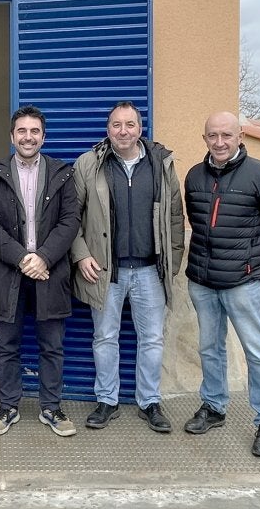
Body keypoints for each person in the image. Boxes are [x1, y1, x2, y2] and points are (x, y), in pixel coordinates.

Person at [182, 111, 260, 457]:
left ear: (240, 136)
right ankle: (213, 407)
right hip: (202, 280)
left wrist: (251, 261)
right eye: (212, 135)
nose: (219, 142)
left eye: (226, 135)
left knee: (258, 354)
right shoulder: (194, 176)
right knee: (209, 349)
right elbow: (198, 223)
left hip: (244, 282)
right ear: (204, 139)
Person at [70, 101, 185, 432]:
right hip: (106, 270)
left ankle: (149, 402)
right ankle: (107, 400)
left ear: (140, 128)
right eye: (116, 125)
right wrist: (81, 255)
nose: (123, 131)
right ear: (108, 129)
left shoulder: (161, 164)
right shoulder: (89, 164)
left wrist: (171, 264)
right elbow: (70, 216)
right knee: (105, 337)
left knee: (151, 339)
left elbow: (175, 217)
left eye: (130, 124)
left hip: (150, 270)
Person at [0, 105, 81, 437]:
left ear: (43, 136)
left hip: (50, 272)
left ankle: (51, 407)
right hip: (9, 273)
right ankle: (8, 407)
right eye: (21, 131)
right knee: (7, 344)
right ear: (12, 136)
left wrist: (44, 258)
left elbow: (70, 222)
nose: (28, 137)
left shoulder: (62, 173)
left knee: (52, 344)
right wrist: (23, 258)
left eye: (34, 131)